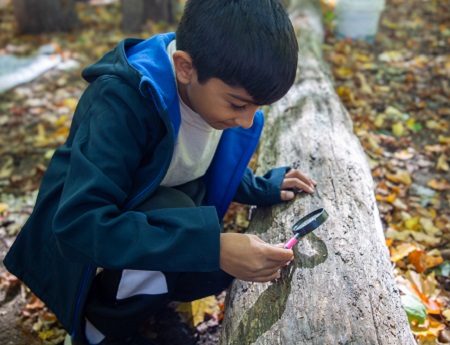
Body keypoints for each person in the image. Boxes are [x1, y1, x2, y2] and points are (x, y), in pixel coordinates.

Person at [3, 0, 317, 344]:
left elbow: (191, 158)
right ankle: (99, 327)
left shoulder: (208, 91)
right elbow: (79, 224)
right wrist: (213, 247)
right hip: (81, 256)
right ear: (184, 67)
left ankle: (146, 301)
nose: (246, 120)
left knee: (199, 246)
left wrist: (258, 187)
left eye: (259, 107)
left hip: (142, 218)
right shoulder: (123, 102)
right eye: (238, 104)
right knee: (195, 232)